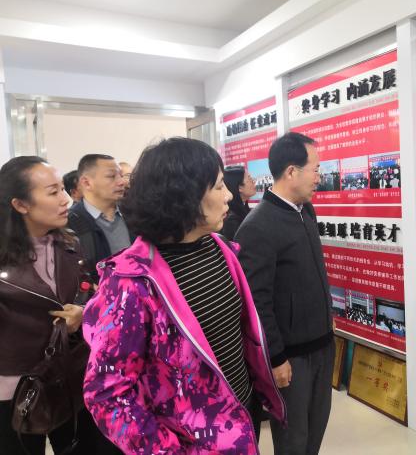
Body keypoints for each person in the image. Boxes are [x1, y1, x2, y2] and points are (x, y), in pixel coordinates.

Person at [81, 138, 286, 454]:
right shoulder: (131, 282)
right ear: (184, 195)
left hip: (241, 418)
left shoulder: (220, 249)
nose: (229, 195)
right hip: (187, 440)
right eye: (218, 186)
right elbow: (107, 394)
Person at [235, 132, 334, 455]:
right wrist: (276, 357)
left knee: (315, 431)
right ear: (291, 171)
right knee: (293, 440)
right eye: (315, 170)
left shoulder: (306, 211)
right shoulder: (257, 226)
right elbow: (256, 302)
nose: (319, 177)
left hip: (322, 346)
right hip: (291, 360)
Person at [0, 156, 106, 454]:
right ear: (20, 204)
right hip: (14, 387)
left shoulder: (69, 243)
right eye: (52, 192)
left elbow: (88, 293)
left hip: (70, 376)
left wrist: (84, 314)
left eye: (62, 189)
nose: (65, 200)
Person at [68, 154, 132, 281]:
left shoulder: (133, 214)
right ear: (86, 183)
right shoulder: (71, 223)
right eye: (111, 176)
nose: (121, 182)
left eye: (121, 175)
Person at [221, 165, 256, 240]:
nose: (254, 181)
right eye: (249, 178)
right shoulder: (231, 220)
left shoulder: (244, 209)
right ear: (240, 187)